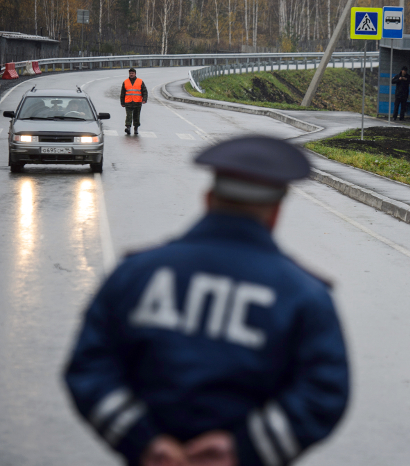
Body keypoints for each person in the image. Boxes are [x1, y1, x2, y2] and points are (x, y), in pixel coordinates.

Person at [63, 136, 350, 466]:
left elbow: (88, 367)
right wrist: (242, 449)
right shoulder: (304, 295)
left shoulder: (136, 273)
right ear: (275, 213)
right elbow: (324, 393)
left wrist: (144, 441)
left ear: (209, 199)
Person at [120, 67, 148, 135]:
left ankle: (136, 128)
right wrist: (122, 102)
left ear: (135, 74)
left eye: (132, 73)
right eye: (130, 73)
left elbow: (144, 91)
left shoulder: (140, 81)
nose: (131, 74)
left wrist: (144, 99)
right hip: (128, 102)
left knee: (136, 116)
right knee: (128, 116)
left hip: (137, 102)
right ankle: (128, 128)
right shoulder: (125, 82)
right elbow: (122, 93)